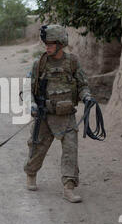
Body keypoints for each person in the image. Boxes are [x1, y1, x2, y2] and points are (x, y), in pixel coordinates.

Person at [25, 24, 93, 203]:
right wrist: (32, 105)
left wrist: (86, 97)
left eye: (51, 44)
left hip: (66, 116)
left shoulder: (72, 62)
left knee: (71, 150)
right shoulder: (39, 64)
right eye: (46, 43)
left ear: (61, 44)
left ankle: (68, 187)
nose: (47, 47)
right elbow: (27, 90)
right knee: (37, 147)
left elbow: (82, 85)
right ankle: (31, 174)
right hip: (44, 116)